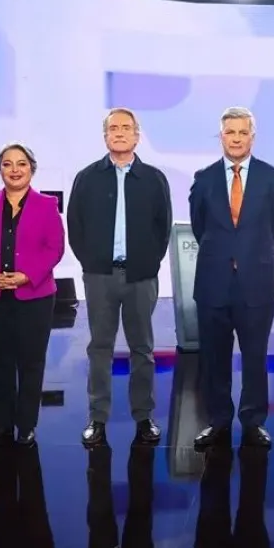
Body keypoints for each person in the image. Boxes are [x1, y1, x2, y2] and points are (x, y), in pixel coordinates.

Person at [67, 108, 173, 448]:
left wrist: (149, 263)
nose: (120, 132)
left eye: (127, 128)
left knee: (142, 348)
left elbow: (163, 227)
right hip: (100, 276)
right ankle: (97, 418)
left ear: (137, 135)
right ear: (105, 135)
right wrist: (91, 262)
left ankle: (144, 416)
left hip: (141, 276)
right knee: (100, 347)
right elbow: (75, 226)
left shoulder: (154, 179)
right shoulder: (87, 177)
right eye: (114, 128)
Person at [190, 107, 274, 450]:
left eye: (242, 132)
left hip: (256, 283)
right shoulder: (203, 179)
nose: (235, 138)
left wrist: (247, 256)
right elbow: (200, 227)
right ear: (221, 137)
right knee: (213, 358)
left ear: (252, 137)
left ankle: (253, 421)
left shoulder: (271, 178)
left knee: (255, 356)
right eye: (229, 132)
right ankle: (217, 420)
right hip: (213, 282)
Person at [0, 142, 65, 448]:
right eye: (8, 164)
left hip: (34, 296)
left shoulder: (47, 204)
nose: (15, 169)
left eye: (21, 163)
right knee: (1, 362)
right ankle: (3, 426)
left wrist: (26, 276)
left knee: (31, 362)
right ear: (0, 170)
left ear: (31, 168)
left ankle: (27, 426)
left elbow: (54, 247)